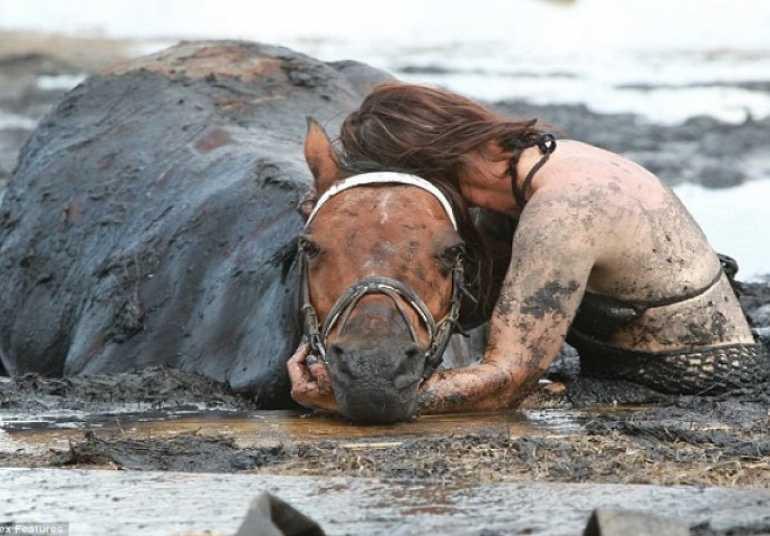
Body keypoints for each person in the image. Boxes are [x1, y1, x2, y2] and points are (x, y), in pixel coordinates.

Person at [288, 83, 766, 414]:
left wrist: (358, 393)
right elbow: (473, 309)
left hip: (688, 386)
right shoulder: (529, 176)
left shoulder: (563, 211)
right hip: (629, 366)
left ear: (430, 163)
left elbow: (507, 381)